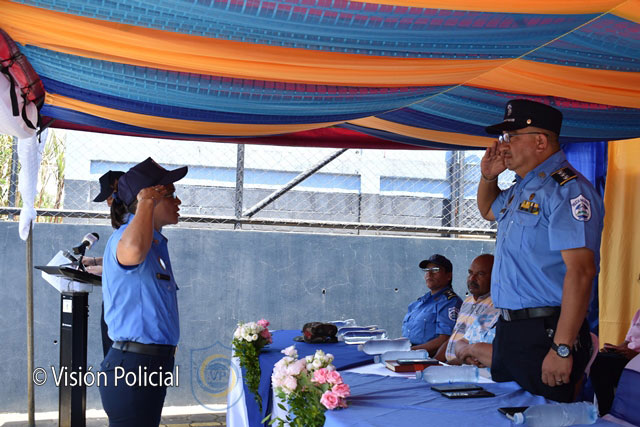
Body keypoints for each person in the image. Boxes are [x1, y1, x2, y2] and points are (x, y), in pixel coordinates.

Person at [477, 99, 604, 402]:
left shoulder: (567, 189)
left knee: (542, 416)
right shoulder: (522, 187)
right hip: (510, 330)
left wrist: (562, 348)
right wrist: (488, 176)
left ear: (540, 142)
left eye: (511, 136)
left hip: (547, 333)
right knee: (502, 414)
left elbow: (581, 271)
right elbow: (487, 210)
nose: (503, 145)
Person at [99, 157, 187, 426]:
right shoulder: (126, 236)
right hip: (133, 367)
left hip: (149, 366)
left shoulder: (155, 243)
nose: (178, 201)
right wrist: (146, 202)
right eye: (170, 194)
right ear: (151, 198)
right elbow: (134, 251)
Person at [86, 170, 124, 356]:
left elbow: (128, 265)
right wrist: (94, 261)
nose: (109, 203)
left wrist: (103, 268)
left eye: (110, 197)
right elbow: (119, 257)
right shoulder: (123, 228)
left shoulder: (133, 227)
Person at [435, 254, 499, 364]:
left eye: (480, 274)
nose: (472, 278)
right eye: (470, 273)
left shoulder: (495, 306)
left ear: (495, 276)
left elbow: (477, 352)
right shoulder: (467, 301)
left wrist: (448, 366)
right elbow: (454, 337)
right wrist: (433, 363)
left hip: (466, 368)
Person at [402, 254, 462, 356]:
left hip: (426, 358)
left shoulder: (449, 302)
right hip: (407, 354)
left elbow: (445, 340)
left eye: (435, 270)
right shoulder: (419, 303)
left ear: (448, 276)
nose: (429, 274)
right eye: (426, 270)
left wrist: (410, 352)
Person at [589, 307, 640, 414]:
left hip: (636, 361)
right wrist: (615, 349)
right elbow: (626, 342)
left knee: (600, 363)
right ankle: (606, 412)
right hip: (628, 359)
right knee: (597, 358)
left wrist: (636, 356)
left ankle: (606, 412)